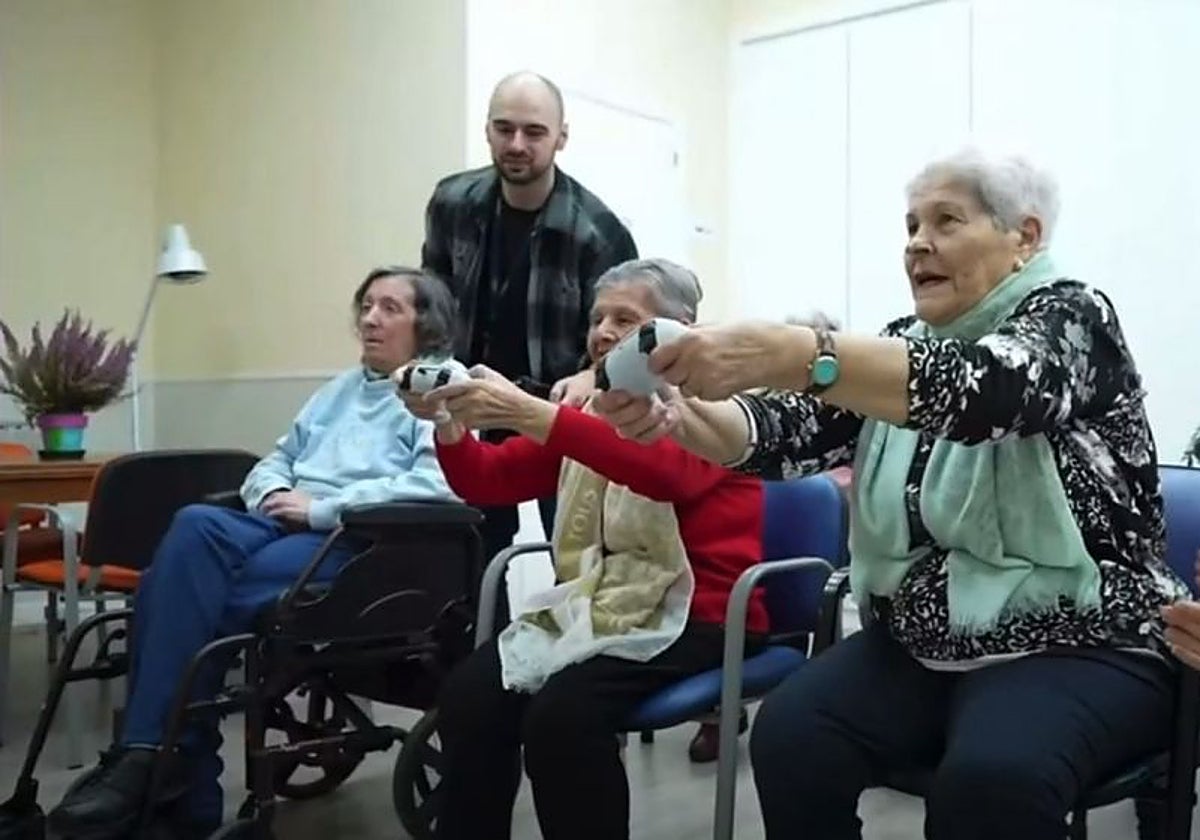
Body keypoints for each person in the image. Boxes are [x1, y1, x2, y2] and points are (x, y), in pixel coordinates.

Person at [595, 149, 1191, 839]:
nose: (916, 243)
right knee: (791, 736)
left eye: (945, 220)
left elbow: (987, 389)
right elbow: (788, 432)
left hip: (1087, 638)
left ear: (1024, 238)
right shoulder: (902, 344)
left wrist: (798, 352)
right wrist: (680, 416)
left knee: (990, 781)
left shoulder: (1074, 317)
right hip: (931, 637)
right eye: (910, 224)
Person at [46, 266, 459, 840]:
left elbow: (440, 484)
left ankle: (163, 770)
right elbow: (276, 458)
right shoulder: (340, 388)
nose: (369, 318)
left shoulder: (443, 385)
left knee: (186, 604)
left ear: (427, 324)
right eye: (366, 305)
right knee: (194, 526)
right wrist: (271, 493)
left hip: (359, 542)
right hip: (278, 524)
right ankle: (157, 763)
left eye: (390, 308)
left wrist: (319, 508)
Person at [398, 258, 765, 840]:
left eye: (626, 318)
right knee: (470, 691)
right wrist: (449, 423)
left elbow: (659, 473)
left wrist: (532, 412)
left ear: (679, 330)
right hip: (606, 600)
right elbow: (488, 481)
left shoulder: (715, 410)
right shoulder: (587, 413)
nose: (603, 332)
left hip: (706, 613)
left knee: (563, 716)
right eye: (597, 318)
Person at [420, 70, 638, 565]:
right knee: (468, 564)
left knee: (580, 558)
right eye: (504, 128)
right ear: (487, 130)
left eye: (535, 132)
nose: (517, 144)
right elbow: (432, 298)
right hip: (468, 404)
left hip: (559, 417)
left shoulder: (599, 231)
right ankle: (481, 642)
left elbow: (628, 335)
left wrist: (590, 374)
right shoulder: (451, 203)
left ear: (562, 137)